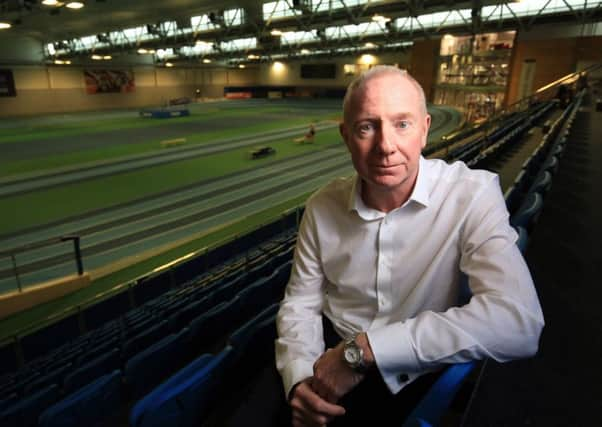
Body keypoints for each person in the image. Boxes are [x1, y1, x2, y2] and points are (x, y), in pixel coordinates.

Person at [275, 65, 544, 427]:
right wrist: (301, 378)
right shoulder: (321, 206)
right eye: (366, 127)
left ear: (425, 129)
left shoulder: (472, 194)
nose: (386, 146)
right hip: (326, 351)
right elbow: (300, 304)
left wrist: (364, 352)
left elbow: (518, 322)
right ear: (345, 136)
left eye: (402, 124)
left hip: (412, 371)